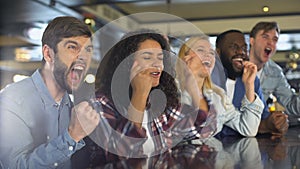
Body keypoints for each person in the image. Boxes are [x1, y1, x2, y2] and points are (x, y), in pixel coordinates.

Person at [0, 16, 99, 168]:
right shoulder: (12, 101)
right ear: (48, 54)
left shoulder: (70, 105)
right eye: (72, 47)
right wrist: (72, 137)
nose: (83, 57)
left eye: (88, 50)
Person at [176, 35, 264, 140]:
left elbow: (249, 129)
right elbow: (190, 133)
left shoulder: (218, 96)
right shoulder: (171, 91)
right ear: (185, 59)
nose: (208, 55)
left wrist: (249, 85)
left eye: (211, 53)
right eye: (200, 50)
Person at [214, 29, 288, 137]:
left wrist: (277, 122)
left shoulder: (252, 80)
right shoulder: (209, 80)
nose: (241, 52)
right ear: (218, 53)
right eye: (234, 47)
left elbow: (262, 118)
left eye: (244, 48)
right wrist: (262, 126)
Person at [249, 21, 300, 120]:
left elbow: (291, 104)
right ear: (252, 41)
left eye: (275, 39)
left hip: (257, 129)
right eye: (265, 37)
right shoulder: (236, 65)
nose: (270, 43)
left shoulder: (275, 72)